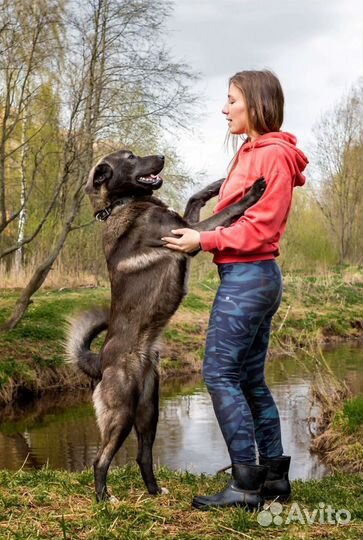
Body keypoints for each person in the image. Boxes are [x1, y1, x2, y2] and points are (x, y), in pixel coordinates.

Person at [161, 69, 308, 511]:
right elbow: (232, 211)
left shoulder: (273, 156)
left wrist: (202, 240)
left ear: (256, 104)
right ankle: (274, 479)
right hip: (247, 278)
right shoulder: (250, 152)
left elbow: (259, 230)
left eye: (231, 100)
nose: (224, 109)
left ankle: (245, 484)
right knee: (248, 379)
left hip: (251, 277)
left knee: (219, 375)